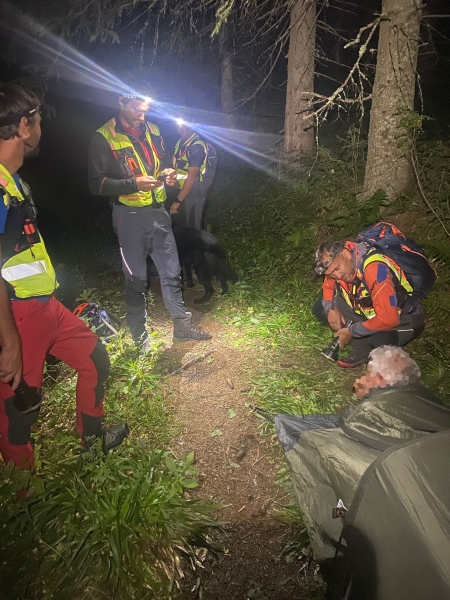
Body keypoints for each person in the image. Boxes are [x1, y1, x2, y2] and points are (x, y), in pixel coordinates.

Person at [0, 82, 128, 469]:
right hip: (18, 317)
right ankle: (25, 497)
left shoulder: (13, 182)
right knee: (19, 415)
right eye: (39, 121)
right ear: (24, 126)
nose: (42, 129)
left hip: (46, 308)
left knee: (95, 359)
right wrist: (9, 340)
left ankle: (92, 442)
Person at [88, 90, 211, 346]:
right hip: (128, 216)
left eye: (145, 110)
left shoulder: (153, 130)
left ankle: (182, 326)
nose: (141, 116)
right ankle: (139, 338)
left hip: (159, 212)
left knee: (172, 273)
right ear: (121, 102)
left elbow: (164, 162)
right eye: (136, 109)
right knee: (137, 279)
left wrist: (168, 173)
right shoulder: (103, 137)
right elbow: (96, 184)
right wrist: (134, 183)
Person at [313, 240, 425, 367]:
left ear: (346, 254)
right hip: (368, 314)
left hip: (402, 317)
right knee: (320, 307)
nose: (337, 276)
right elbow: (328, 286)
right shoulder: (335, 266)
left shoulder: (375, 268)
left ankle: (371, 346)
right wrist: (331, 309)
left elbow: (389, 318)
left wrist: (352, 331)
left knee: (380, 341)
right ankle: (363, 347)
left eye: (337, 269)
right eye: (331, 274)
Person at [169, 119, 213, 229]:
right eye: (178, 126)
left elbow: (192, 177)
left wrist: (178, 201)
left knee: (193, 229)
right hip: (181, 191)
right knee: (182, 228)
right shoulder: (181, 142)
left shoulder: (196, 146)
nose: (181, 129)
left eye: (184, 125)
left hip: (194, 192)